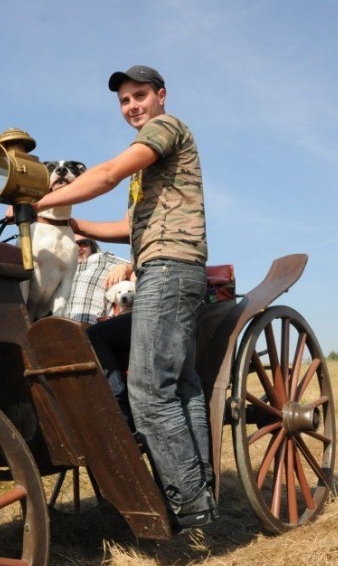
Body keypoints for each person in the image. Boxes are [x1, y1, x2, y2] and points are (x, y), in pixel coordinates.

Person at [33, 65, 215, 531]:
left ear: (161, 96)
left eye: (139, 96)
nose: (132, 106)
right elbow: (129, 228)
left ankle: (189, 506)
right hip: (162, 265)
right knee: (161, 376)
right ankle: (198, 489)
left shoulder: (165, 129)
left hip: (170, 270)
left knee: (152, 391)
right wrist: (72, 225)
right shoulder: (152, 166)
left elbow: (110, 172)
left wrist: (43, 202)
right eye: (124, 101)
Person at [59, 235, 129, 324]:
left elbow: (141, 268)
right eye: (71, 243)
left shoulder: (104, 260)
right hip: (56, 331)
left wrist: (125, 267)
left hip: (91, 328)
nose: (77, 247)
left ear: (91, 245)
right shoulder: (57, 268)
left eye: (83, 243)